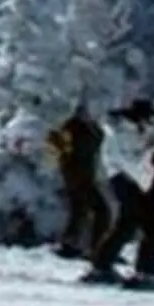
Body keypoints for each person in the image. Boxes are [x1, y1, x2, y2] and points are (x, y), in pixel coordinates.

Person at [86, 97, 154, 285]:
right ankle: (102, 265)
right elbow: (121, 159)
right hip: (123, 177)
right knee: (129, 220)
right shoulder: (118, 131)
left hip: (148, 175)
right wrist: (144, 166)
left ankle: (145, 268)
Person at [47, 106, 106, 259]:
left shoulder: (76, 129)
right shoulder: (76, 130)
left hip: (77, 175)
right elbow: (74, 150)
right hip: (79, 176)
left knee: (79, 211)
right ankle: (97, 248)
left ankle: (72, 244)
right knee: (101, 211)